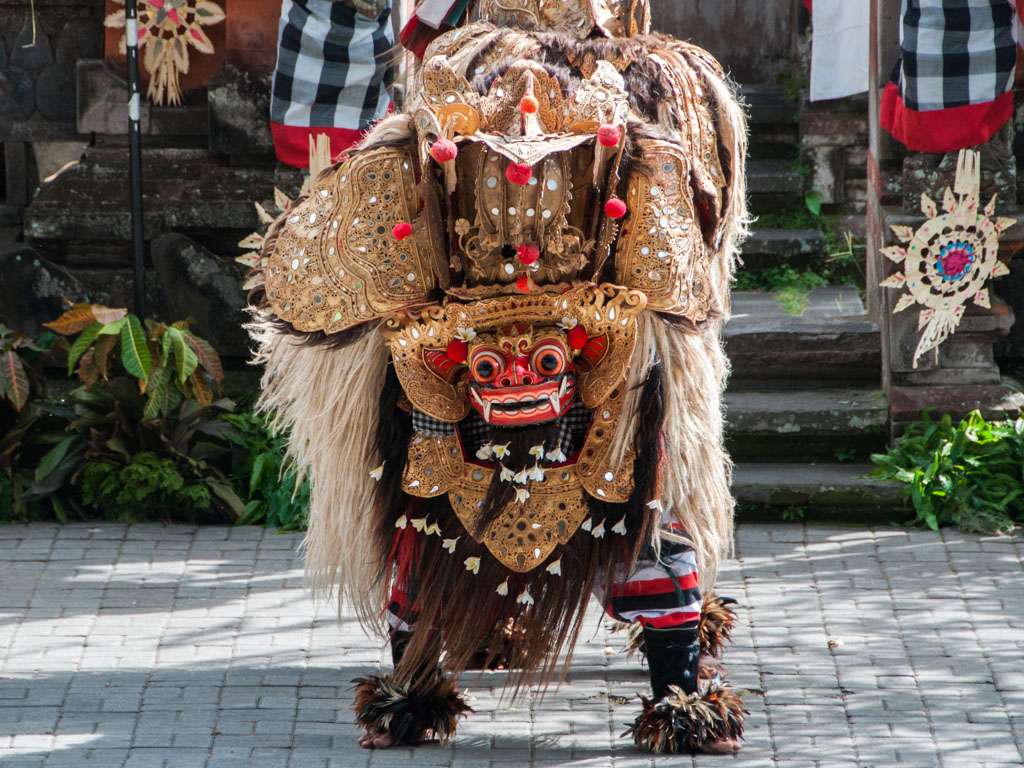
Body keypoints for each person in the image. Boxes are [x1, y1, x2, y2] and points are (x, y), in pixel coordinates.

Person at [248, 0, 749, 754]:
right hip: (461, 353)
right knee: (427, 506)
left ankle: (677, 685)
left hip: (593, 349)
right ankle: (419, 678)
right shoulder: (436, 129)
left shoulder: (644, 142)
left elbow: (678, 295)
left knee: (639, 501)